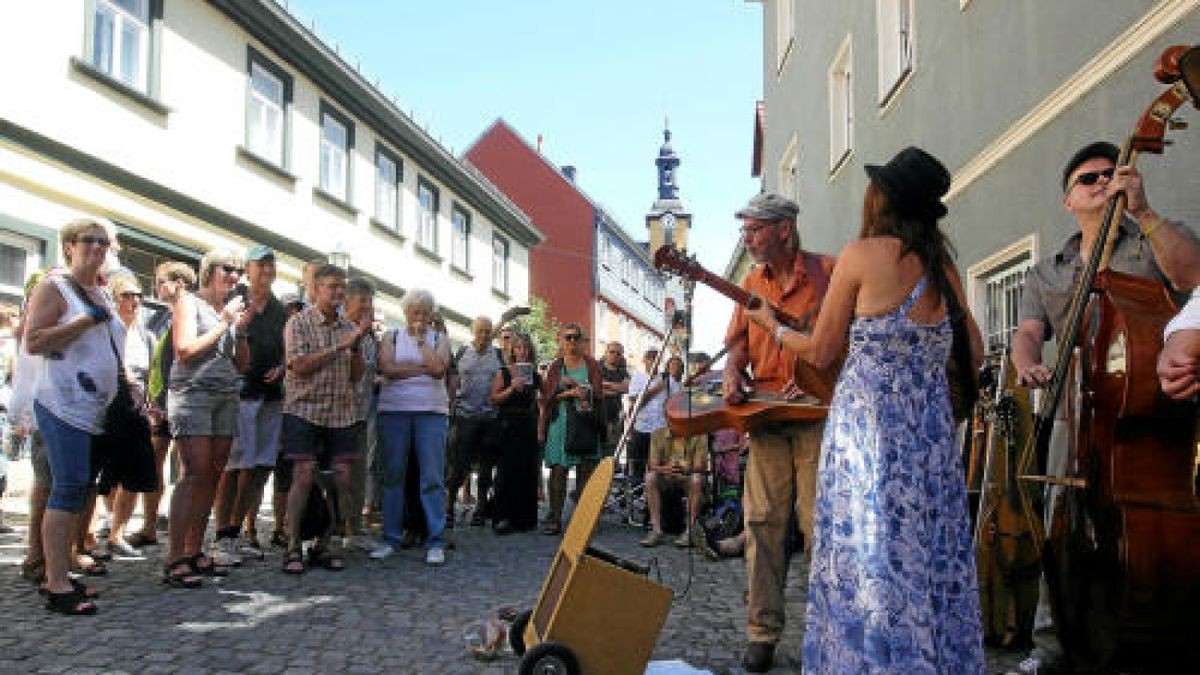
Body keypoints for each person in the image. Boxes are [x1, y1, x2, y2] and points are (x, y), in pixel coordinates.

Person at [745, 148, 986, 672]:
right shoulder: (944, 267)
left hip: (866, 435)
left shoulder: (861, 254)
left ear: (883, 198)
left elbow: (822, 351)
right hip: (929, 440)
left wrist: (771, 327)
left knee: (868, 554)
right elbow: (976, 351)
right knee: (923, 554)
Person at [1010, 141, 1200, 657]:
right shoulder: (1047, 270)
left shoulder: (1152, 241)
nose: (1101, 183)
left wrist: (1143, 211)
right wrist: (1027, 363)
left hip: (1150, 406)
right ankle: (1052, 645)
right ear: (1068, 199)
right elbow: (1028, 333)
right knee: (1061, 520)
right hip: (1076, 407)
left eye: (1108, 174)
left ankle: (1147, 638)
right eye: (1087, 179)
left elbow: (1194, 277)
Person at [720, 192, 835, 673]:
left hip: (816, 419)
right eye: (744, 230)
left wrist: (812, 369)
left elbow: (845, 341)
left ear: (784, 229)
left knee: (818, 528)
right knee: (762, 525)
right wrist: (732, 371)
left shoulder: (828, 273)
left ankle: (829, 633)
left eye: (754, 229)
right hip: (766, 422)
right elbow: (738, 345)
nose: (745, 238)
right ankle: (762, 633)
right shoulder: (750, 281)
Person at [22, 218, 128, 614]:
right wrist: (85, 320)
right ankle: (55, 584)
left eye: (105, 243)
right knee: (66, 487)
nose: (98, 248)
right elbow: (34, 340)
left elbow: (109, 345)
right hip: (61, 402)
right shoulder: (56, 286)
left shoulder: (99, 290)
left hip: (93, 406)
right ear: (69, 246)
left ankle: (62, 566)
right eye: (90, 241)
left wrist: (127, 384)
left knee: (79, 488)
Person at [164, 249, 247, 585]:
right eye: (228, 269)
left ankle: (194, 550)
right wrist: (225, 322)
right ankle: (174, 558)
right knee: (194, 473)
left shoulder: (226, 310)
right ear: (210, 270)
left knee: (213, 475)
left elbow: (242, 363)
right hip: (193, 394)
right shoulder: (190, 302)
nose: (234, 276)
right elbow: (184, 351)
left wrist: (239, 330)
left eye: (238, 271)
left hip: (226, 395)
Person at [280, 264, 368, 574]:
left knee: (343, 478)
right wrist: (338, 346)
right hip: (304, 409)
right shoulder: (298, 323)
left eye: (342, 287)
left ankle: (324, 544)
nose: (339, 293)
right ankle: (292, 544)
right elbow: (299, 365)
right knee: (304, 473)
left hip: (341, 413)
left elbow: (357, 376)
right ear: (315, 290)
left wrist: (356, 348)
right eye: (332, 286)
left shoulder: (349, 328)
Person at [212, 244, 287, 561]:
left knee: (260, 465)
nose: (267, 271)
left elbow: (286, 346)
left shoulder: (279, 307)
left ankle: (241, 527)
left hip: (271, 394)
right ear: (248, 269)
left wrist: (283, 366)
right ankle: (223, 531)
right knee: (237, 464)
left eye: (271, 265)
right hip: (240, 391)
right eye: (261, 265)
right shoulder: (235, 299)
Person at [369, 289, 451, 564]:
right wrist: (422, 369)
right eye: (415, 312)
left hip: (432, 412)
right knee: (393, 476)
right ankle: (391, 536)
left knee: (432, 478)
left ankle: (435, 539)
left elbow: (440, 369)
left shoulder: (439, 339)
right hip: (394, 412)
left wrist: (419, 344)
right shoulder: (390, 336)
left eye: (425, 313)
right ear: (405, 314)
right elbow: (388, 370)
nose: (420, 317)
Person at [103, 274, 158, 557]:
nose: (134, 301)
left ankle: (117, 532)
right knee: (105, 475)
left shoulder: (145, 335)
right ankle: (87, 535)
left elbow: (148, 377)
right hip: (108, 406)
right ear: (113, 298)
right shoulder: (106, 327)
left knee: (137, 472)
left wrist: (150, 405)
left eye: (138, 295)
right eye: (126, 295)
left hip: (135, 410)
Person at [538, 323, 605, 536]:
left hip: (586, 422)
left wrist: (578, 387)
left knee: (586, 472)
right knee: (558, 471)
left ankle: (583, 519)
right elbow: (547, 397)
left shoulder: (592, 365)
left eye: (576, 337)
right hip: (560, 423)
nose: (572, 342)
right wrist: (568, 393)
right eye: (568, 338)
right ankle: (555, 516)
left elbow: (599, 393)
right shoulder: (556, 366)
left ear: (583, 341)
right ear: (562, 341)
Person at [445, 317, 503, 527]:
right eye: (480, 331)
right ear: (472, 331)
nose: (484, 335)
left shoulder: (497, 355)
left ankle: (480, 510)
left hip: (489, 418)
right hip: (465, 417)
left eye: (488, 331)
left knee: (486, 466)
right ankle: (448, 508)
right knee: (458, 465)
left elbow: (503, 381)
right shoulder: (462, 352)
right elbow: (451, 378)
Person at [489, 331, 542, 534]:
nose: (523, 351)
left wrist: (541, 425)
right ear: (512, 350)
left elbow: (545, 399)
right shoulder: (504, 372)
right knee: (506, 470)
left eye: (526, 348)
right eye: (519, 347)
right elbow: (494, 399)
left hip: (528, 423)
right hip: (508, 424)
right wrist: (511, 388)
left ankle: (524, 518)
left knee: (527, 470)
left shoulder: (534, 375)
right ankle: (503, 516)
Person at [342, 278, 379, 548]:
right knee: (336, 474)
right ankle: (332, 526)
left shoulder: (370, 338)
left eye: (370, 302)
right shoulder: (341, 330)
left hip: (361, 414)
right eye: (362, 301)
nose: (368, 307)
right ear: (347, 303)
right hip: (336, 415)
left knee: (357, 474)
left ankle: (353, 529)